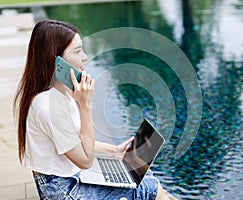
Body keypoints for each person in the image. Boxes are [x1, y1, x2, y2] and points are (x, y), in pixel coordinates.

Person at [14, 19, 176, 200]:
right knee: (149, 189)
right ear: (57, 62)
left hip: (69, 177)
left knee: (143, 176)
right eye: (77, 51)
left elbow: (73, 142)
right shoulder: (49, 106)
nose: (85, 57)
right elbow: (85, 160)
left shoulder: (59, 93)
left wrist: (113, 151)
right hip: (62, 189)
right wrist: (85, 105)